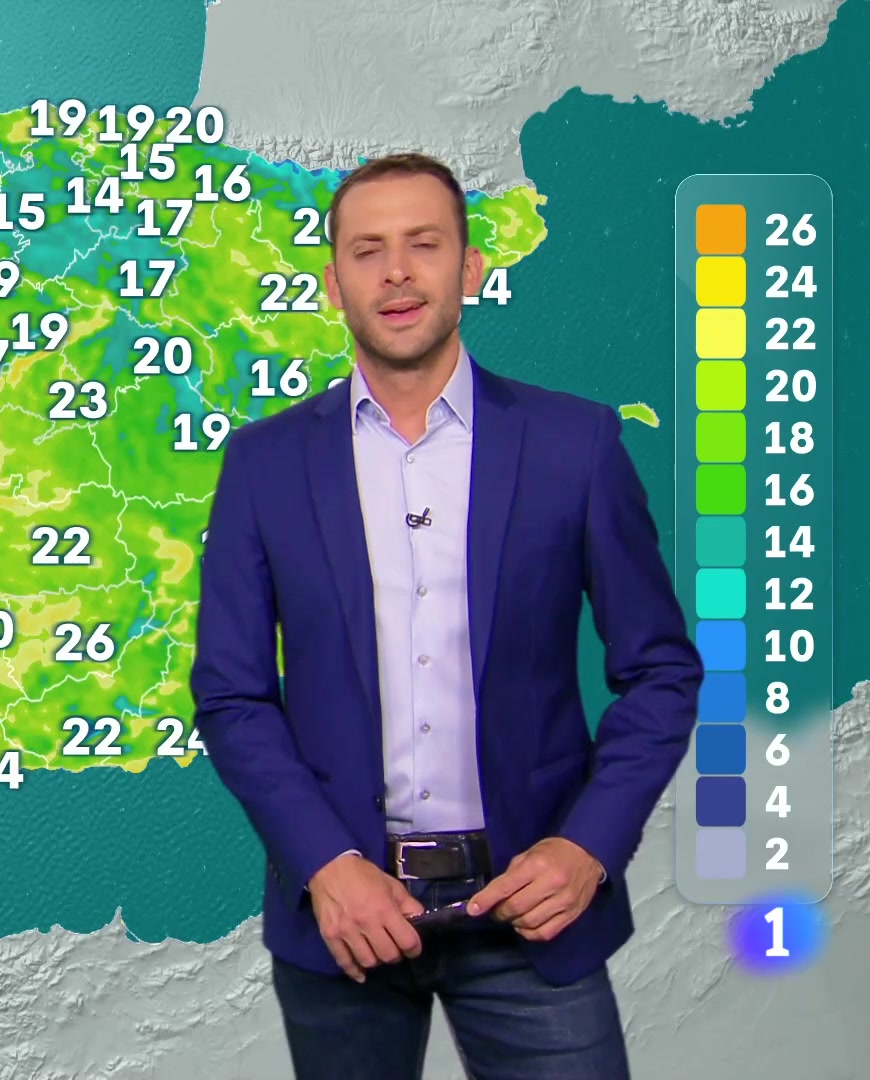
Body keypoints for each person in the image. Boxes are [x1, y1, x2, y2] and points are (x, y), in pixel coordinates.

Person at [189, 152, 703, 1079]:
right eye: (368, 251)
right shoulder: (264, 465)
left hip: (529, 914)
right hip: (347, 917)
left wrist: (589, 847)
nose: (396, 272)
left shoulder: (575, 445)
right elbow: (231, 694)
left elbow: (660, 672)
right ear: (334, 284)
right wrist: (324, 864)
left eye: (423, 245)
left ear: (470, 268)